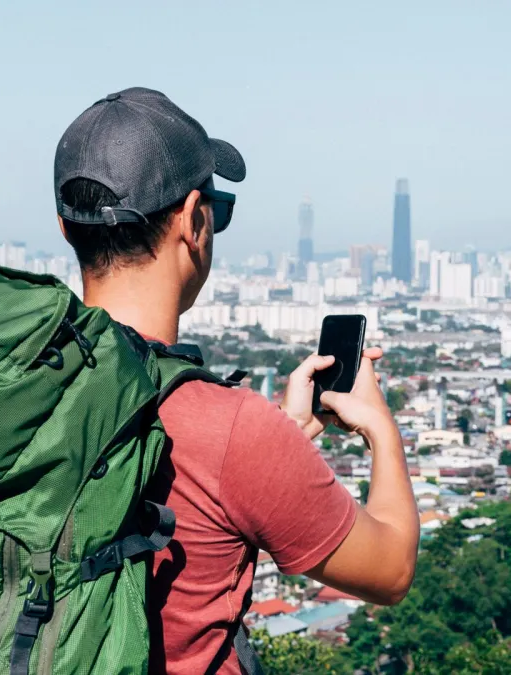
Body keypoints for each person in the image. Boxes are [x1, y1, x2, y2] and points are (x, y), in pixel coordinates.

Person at [53, 87, 419, 674]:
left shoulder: (5, 387)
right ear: (194, 221)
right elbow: (391, 569)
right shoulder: (231, 429)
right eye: (218, 211)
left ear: (67, 230)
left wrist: (286, 433)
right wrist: (381, 429)